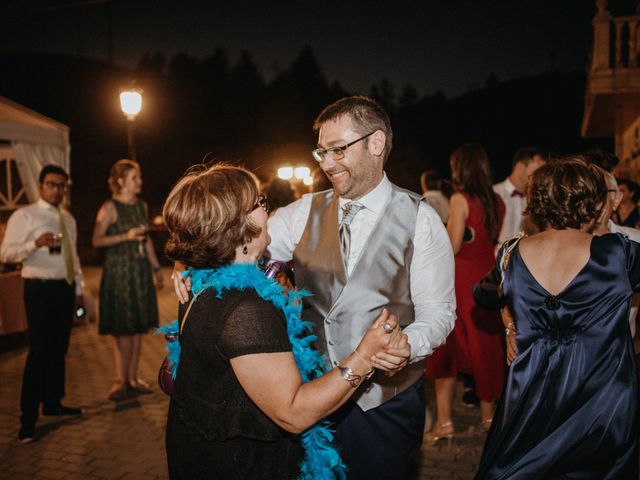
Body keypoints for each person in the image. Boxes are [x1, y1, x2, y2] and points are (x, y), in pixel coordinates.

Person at [174, 96, 456, 479]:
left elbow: (440, 312)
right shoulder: (302, 211)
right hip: (308, 395)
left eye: (338, 150)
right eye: (321, 151)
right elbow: (230, 238)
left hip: (383, 402)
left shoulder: (422, 219)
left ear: (376, 144)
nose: (325, 163)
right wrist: (187, 263)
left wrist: (409, 344)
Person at [163, 164, 404, 479]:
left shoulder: (200, 281)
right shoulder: (247, 311)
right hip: (241, 463)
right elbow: (294, 412)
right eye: (260, 203)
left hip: (202, 446)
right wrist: (364, 356)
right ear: (243, 224)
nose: (267, 209)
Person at [475, 158, 640, 479]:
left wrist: (512, 323)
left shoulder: (511, 254)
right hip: (604, 394)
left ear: (537, 203)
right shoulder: (618, 253)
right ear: (594, 202)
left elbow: (482, 295)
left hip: (533, 391)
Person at [425, 143, 505, 444]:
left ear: (460, 169)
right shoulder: (497, 200)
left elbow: (453, 245)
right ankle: (489, 416)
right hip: (486, 279)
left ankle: (445, 422)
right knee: (486, 348)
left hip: (459, 279)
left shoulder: (460, 199)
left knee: (446, 349)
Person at [0, 165, 84, 443]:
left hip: (65, 288)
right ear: (40, 185)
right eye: (52, 184)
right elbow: (6, 253)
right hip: (38, 289)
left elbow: (74, 256)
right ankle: (27, 419)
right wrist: (34, 244)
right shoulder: (24, 215)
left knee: (59, 348)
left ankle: (52, 403)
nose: (58, 190)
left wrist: (79, 289)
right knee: (38, 352)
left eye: (63, 186)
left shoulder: (68, 219)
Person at [92, 159, 164, 400]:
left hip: (140, 272)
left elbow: (147, 240)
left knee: (137, 327)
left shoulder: (141, 206)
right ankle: (120, 380)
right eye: (135, 177)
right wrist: (126, 236)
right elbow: (97, 240)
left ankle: (133, 379)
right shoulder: (110, 207)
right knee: (123, 328)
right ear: (121, 181)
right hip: (120, 273)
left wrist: (156, 269)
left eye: (139, 177)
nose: (140, 181)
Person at [493, 147, 546, 247]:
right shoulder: (494, 193)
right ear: (520, 167)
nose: (541, 176)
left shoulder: (537, 199)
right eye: (538, 170)